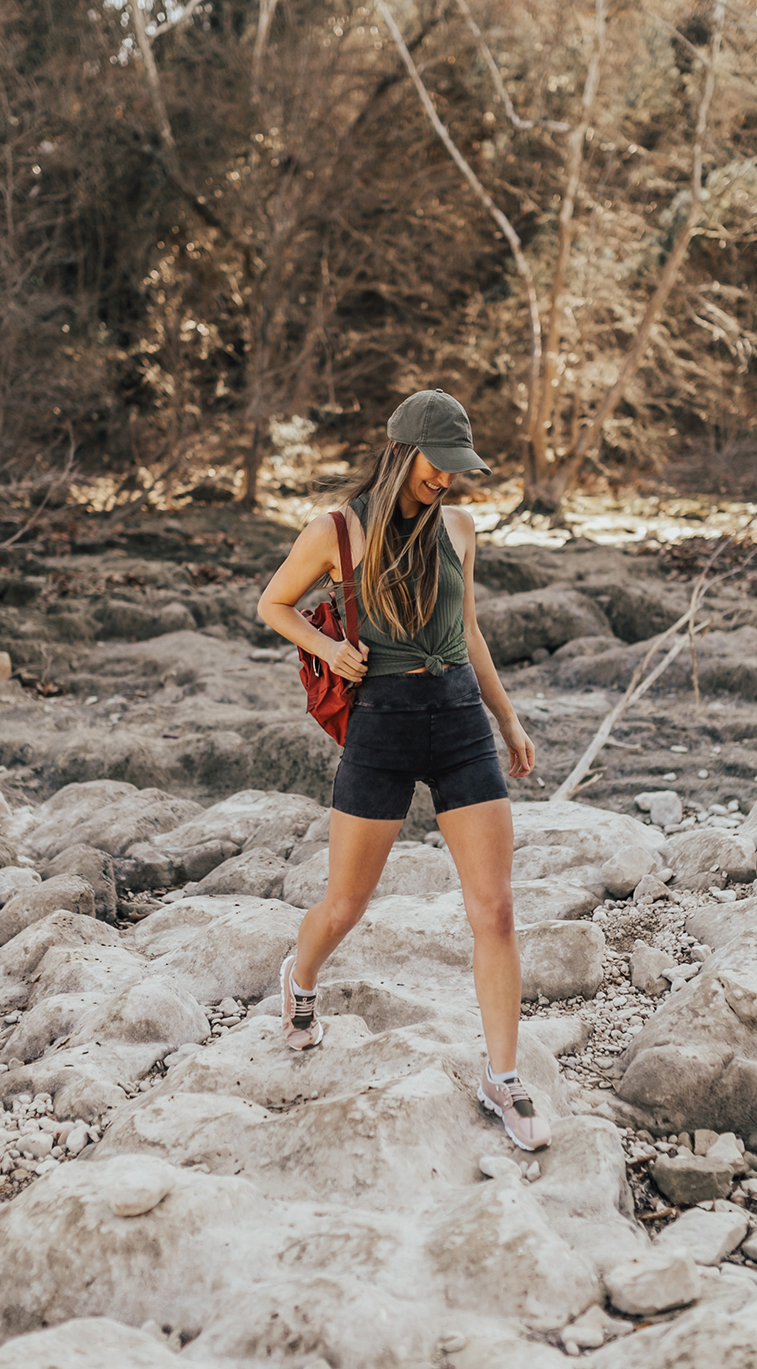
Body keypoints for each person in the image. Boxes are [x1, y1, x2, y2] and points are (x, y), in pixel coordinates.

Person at [257, 389, 550, 1152]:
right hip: (381, 722)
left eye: (457, 469)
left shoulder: (459, 527)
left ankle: (503, 1077)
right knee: (345, 904)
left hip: (458, 719)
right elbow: (275, 604)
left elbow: (469, 629)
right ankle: (301, 976)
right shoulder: (335, 531)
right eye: (437, 465)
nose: (447, 481)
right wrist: (329, 650)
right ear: (401, 452)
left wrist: (507, 717)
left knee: (496, 909)